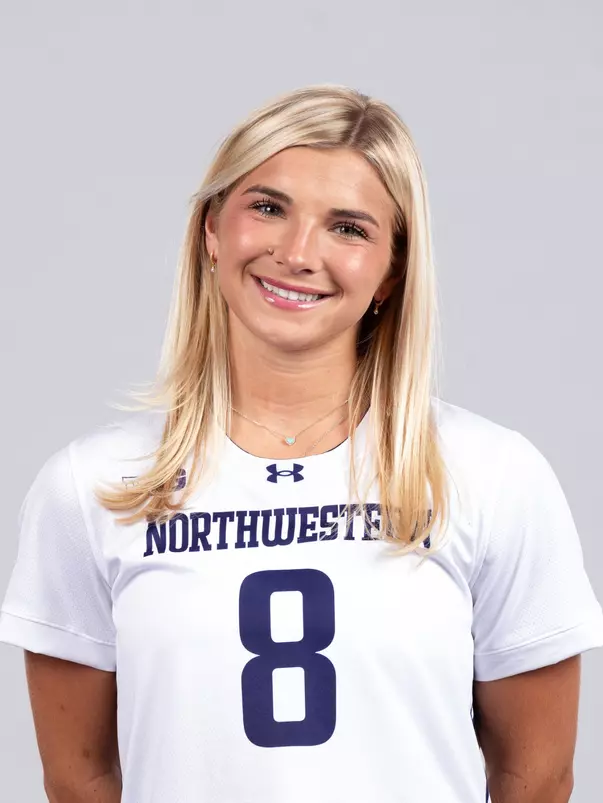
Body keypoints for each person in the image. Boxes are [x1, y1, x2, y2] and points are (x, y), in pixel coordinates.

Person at [1, 84, 602, 803]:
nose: (296, 253)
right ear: (211, 231)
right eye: (267, 207)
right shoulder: (95, 485)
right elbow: (79, 778)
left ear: (391, 270)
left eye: (347, 228)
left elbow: (537, 777)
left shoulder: (491, 475)